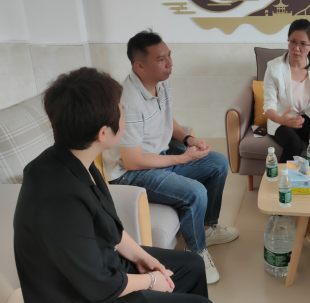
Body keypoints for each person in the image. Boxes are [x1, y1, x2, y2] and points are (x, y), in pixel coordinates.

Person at [13, 67, 210, 303]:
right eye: (121, 114)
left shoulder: (75, 161)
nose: (124, 121)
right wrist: (151, 281)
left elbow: (110, 229)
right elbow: (100, 286)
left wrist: (143, 258)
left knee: (192, 265)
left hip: (105, 267)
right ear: (103, 133)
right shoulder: (60, 199)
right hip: (87, 293)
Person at [103, 30, 238, 284]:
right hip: (130, 173)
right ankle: (196, 251)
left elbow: (166, 118)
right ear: (139, 66)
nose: (170, 63)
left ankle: (207, 229)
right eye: (161, 59)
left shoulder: (161, 82)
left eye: (169, 56)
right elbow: (133, 161)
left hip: (159, 155)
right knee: (195, 192)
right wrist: (182, 159)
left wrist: (188, 140)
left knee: (219, 163)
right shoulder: (128, 102)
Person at [264, 19, 310, 163]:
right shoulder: (274, 68)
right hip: (283, 118)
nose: (296, 48)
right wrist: (280, 119)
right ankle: (282, 177)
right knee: (294, 145)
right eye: (293, 42)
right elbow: (269, 105)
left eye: (303, 44)